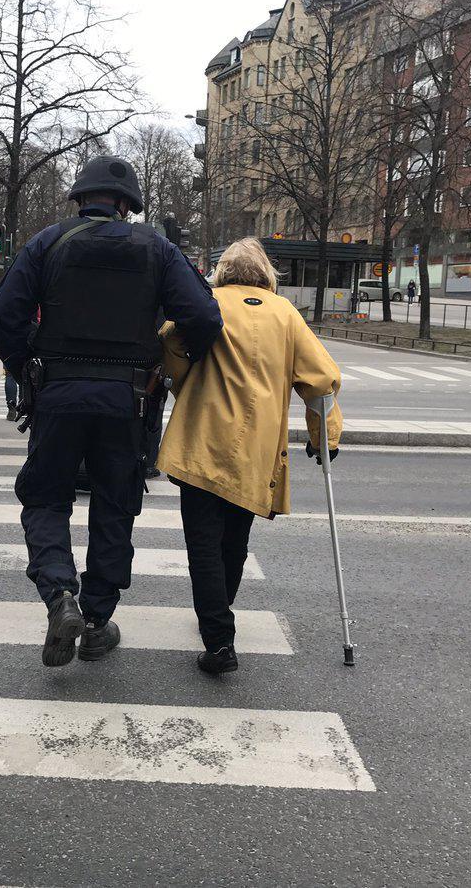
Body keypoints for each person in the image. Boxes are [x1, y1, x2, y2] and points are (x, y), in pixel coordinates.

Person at [0, 154, 223, 668]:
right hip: (128, 401)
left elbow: (0, 316)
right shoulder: (157, 249)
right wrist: (165, 362)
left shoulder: (48, 241)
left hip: (57, 395)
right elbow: (205, 317)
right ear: (127, 204)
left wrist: (27, 362)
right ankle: (96, 620)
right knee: (114, 506)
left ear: (80, 197)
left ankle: (60, 598)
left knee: (46, 498)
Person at [158, 238, 343, 675]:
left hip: (201, 440)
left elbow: (170, 344)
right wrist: (325, 437)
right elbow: (322, 381)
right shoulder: (285, 314)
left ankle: (219, 638)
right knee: (233, 542)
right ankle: (219, 615)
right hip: (255, 449)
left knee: (202, 545)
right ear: (266, 273)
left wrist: (183, 380)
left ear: (223, 270)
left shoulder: (207, 305)